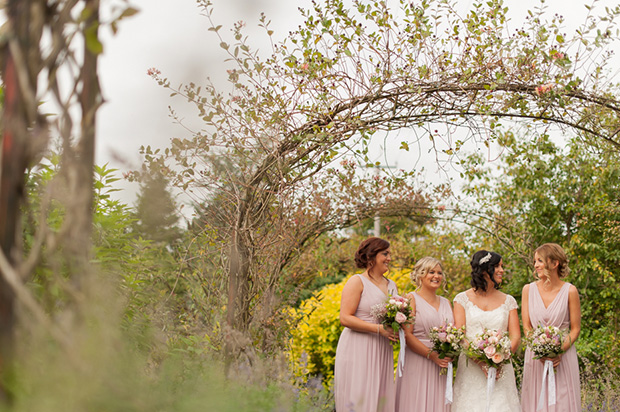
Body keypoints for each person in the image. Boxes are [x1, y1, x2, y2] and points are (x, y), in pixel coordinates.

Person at [334, 237, 398, 412]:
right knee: (359, 397)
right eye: (385, 254)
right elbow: (345, 318)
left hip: (382, 348)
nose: (389, 258)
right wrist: (378, 329)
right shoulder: (357, 281)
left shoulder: (392, 285)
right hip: (358, 347)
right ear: (372, 256)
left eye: (389, 254)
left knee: (380, 398)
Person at [451, 250, 521, 412]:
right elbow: (461, 336)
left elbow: (515, 336)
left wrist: (500, 360)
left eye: (502, 266)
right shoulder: (461, 299)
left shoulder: (509, 301)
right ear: (483, 270)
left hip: (501, 368)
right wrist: (482, 362)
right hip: (471, 368)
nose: (502, 270)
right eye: (497, 266)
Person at [520, 243, 581, 412]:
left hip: (563, 358)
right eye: (534, 261)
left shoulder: (570, 291)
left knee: (563, 402)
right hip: (536, 358)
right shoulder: (528, 290)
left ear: (555, 264)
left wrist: (558, 352)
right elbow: (527, 326)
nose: (536, 265)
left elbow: (575, 329)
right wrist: (540, 351)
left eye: (540, 260)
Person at [396, 257, 453, 412]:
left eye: (439, 273)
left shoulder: (446, 302)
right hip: (418, 360)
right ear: (420, 275)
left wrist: (450, 352)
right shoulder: (411, 298)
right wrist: (432, 355)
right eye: (431, 272)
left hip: (441, 365)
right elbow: (407, 335)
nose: (436, 276)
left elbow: (454, 333)